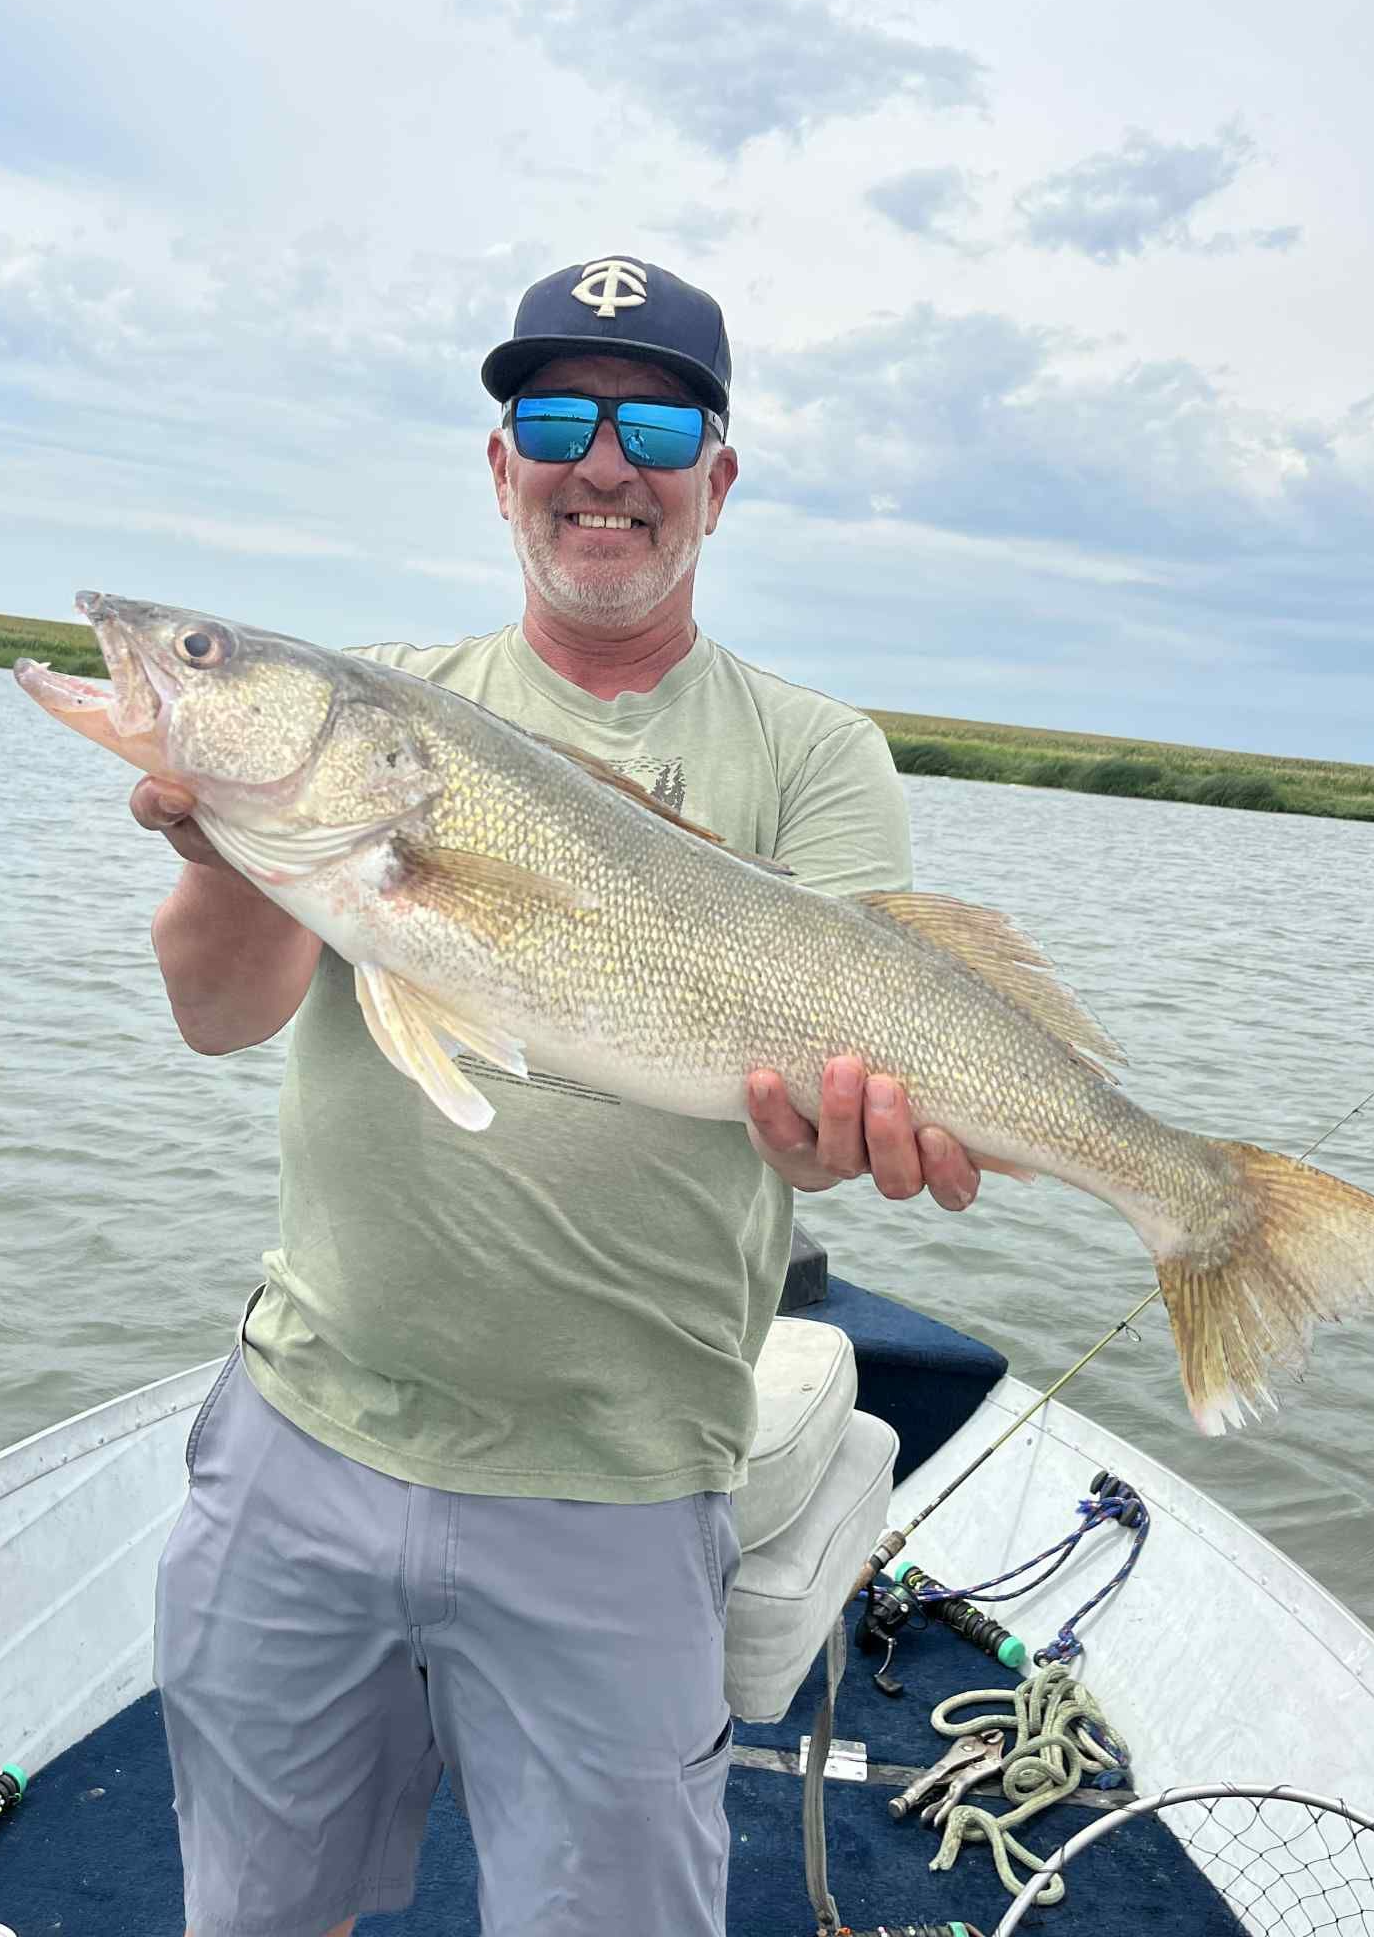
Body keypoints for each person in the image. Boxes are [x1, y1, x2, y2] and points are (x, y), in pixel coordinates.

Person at [134, 256, 980, 1937]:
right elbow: (222, 1018)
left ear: (717, 482)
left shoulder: (814, 755)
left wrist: (845, 1131)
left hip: (622, 1476)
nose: (607, 461)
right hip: (309, 1436)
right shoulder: (382, 706)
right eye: (556, 416)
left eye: (657, 418)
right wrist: (222, 835)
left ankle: (1211, 1210)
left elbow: (868, 1049)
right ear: (501, 463)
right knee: (252, 1907)